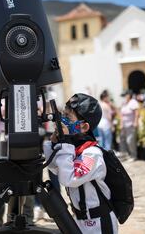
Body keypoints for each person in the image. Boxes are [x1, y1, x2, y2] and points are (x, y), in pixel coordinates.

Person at [44, 93, 118, 233]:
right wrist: (53, 143)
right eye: (63, 115)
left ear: (83, 127)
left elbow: (69, 179)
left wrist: (65, 143)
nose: (63, 120)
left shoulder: (92, 154)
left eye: (68, 117)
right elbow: (55, 168)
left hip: (98, 223)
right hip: (80, 220)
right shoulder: (76, 149)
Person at [119, 89, 140, 160]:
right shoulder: (124, 103)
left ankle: (134, 155)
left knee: (130, 141)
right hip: (124, 125)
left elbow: (137, 113)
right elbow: (121, 114)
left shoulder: (133, 102)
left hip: (131, 125)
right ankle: (128, 154)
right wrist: (121, 124)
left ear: (129, 95)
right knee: (124, 141)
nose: (124, 97)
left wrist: (135, 122)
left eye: (125, 95)